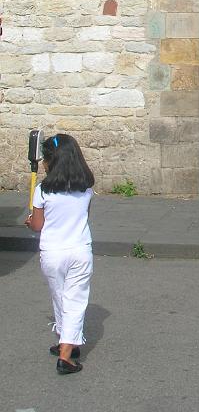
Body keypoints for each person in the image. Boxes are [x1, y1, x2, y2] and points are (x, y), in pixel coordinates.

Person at [25, 133, 95, 375]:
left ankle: (65, 350)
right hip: (79, 248)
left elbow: (37, 225)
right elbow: (85, 216)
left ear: (51, 161)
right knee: (74, 301)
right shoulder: (85, 187)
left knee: (59, 297)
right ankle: (68, 346)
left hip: (52, 251)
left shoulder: (43, 190)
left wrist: (30, 221)